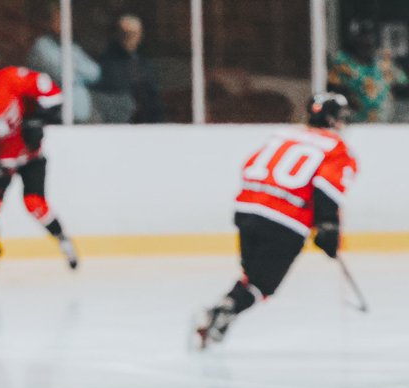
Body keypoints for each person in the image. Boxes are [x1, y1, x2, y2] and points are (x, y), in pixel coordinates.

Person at [194, 93, 357, 349]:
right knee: (262, 285)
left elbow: (249, 166)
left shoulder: (282, 135)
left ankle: (223, 312)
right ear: (331, 118)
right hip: (285, 221)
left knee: (251, 277)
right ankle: (222, 311)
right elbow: (326, 189)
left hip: (246, 210)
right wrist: (328, 228)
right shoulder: (337, 148)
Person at [0, 41, 77, 280]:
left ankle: (62, 239)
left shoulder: (11, 79)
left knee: (34, 204)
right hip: (3, 162)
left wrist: (38, 119)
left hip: (31, 157)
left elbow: (52, 94)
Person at [26, 2, 102, 123]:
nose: (64, 23)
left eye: (67, 19)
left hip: (81, 119)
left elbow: (95, 72)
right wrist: (77, 69)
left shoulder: (71, 47)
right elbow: (62, 74)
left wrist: (74, 67)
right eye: (59, 19)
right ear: (50, 21)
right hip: (55, 120)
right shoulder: (42, 46)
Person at [328, 20, 407, 123]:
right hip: (354, 124)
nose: (367, 40)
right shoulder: (343, 63)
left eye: (370, 37)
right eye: (362, 37)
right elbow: (332, 89)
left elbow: (403, 85)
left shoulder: (383, 63)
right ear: (355, 41)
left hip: (386, 125)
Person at [94, 14, 164, 124]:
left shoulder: (146, 64)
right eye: (124, 33)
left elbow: (153, 100)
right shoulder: (105, 64)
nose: (129, 37)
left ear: (140, 36)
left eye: (133, 34)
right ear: (117, 35)